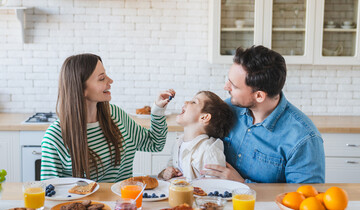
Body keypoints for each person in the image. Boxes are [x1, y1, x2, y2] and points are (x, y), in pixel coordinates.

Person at [40, 53, 175, 182]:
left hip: (124, 205)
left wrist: (158, 110)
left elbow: (154, 143)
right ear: (81, 89)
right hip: (84, 206)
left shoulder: (116, 116)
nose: (110, 81)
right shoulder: (55, 137)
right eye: (101, 78)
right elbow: (51, 193)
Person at [201, 45, 325, 183]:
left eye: (234, 86)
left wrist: (243, 184)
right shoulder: (228, 108)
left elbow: (304, 198)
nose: (226, 87)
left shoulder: (304, 138)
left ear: (259, 96)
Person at [158, 91, 234, 180]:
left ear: (204, 117)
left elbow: (216, 187)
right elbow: (167, 169)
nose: (186, 102)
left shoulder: (209, 150)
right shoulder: (178, 142)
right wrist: (166, 173)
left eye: (194, 102)